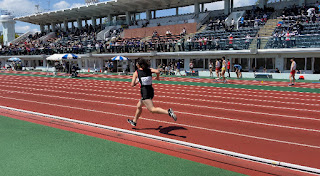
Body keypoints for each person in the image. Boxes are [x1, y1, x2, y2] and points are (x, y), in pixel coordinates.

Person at [127, 58, 177, 126]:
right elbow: (158, 71)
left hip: (145, 92)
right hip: (151, 91)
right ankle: (134, 121)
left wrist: (137, 81)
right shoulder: (149, 70)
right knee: (139, 106)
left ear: (139, 65)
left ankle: (168, 112)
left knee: (152, 109)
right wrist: (157, 77)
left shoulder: (136, 72)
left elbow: (132, 84)